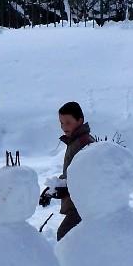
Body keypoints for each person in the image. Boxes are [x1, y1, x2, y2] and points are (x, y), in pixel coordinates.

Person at [39, 101, 95, 240]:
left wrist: (60, 190)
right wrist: (52, 189)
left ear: (80, 120)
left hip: (84, 205)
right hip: (78, 204)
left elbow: (86, 177)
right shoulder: (75, 142)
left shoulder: (84, 143)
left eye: (68, 122)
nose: (64, 127)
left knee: (65, 236)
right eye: (61, 123)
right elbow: (70, 174)